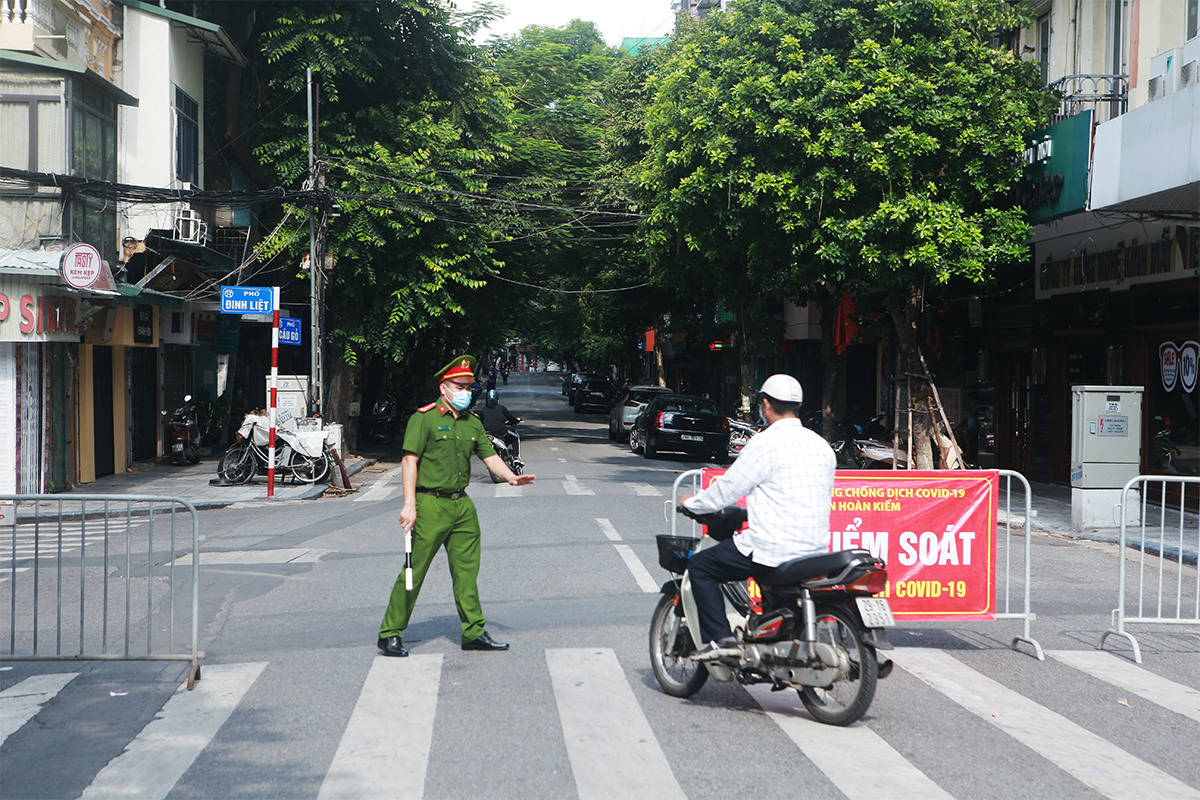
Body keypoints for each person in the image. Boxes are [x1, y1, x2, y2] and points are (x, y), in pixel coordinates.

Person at [377, 355, 536, 657]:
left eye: (469, 386)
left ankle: (473, 631)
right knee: (415, 571)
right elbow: (409, 461)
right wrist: (409, 504)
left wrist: (512, 478)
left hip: (462, 507)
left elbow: (490, 458)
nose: (466, 391)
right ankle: (390, 633)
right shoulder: (424, 419)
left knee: (467, 573)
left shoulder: (472, 423)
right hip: (429, 505)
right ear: (444, 387)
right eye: (460, 385)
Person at [679, 374, 836, 661]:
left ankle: (722, 641)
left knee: (701, 565)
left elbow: (726, 490)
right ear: (798, 405)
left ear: (765, 405)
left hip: (772, 548)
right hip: (814, 549)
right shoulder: (821, 446)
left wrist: (693, 503)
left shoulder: (764, 444)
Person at [475, 389, 521, 457]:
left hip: (488, 434)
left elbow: (481, 423)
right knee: (515, 437)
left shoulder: (483, 410)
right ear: (497, 399)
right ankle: (516, 457)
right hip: (501, 433)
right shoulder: (501, 408)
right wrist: (517, 420)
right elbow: (511, 419)